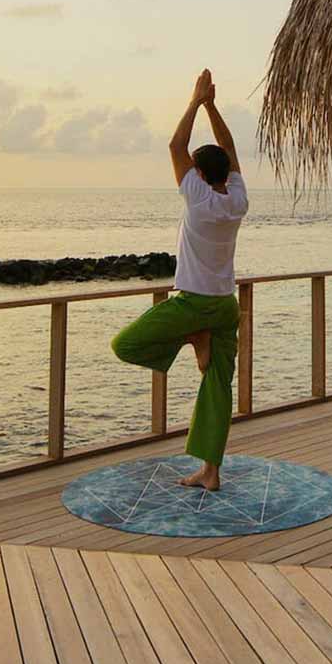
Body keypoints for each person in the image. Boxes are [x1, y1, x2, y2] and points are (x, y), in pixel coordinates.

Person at [110, 68, 249, 491]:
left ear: (200, 175)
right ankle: (211, 472)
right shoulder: (238, 199)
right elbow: (229, 146)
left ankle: (192, 338)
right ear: (225, 173)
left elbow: (175, 145)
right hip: (227, 305)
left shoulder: (198, 197)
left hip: (195, 305)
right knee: (218, 386)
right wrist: (212, 105)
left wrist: (194, 100)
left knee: (126, 344)